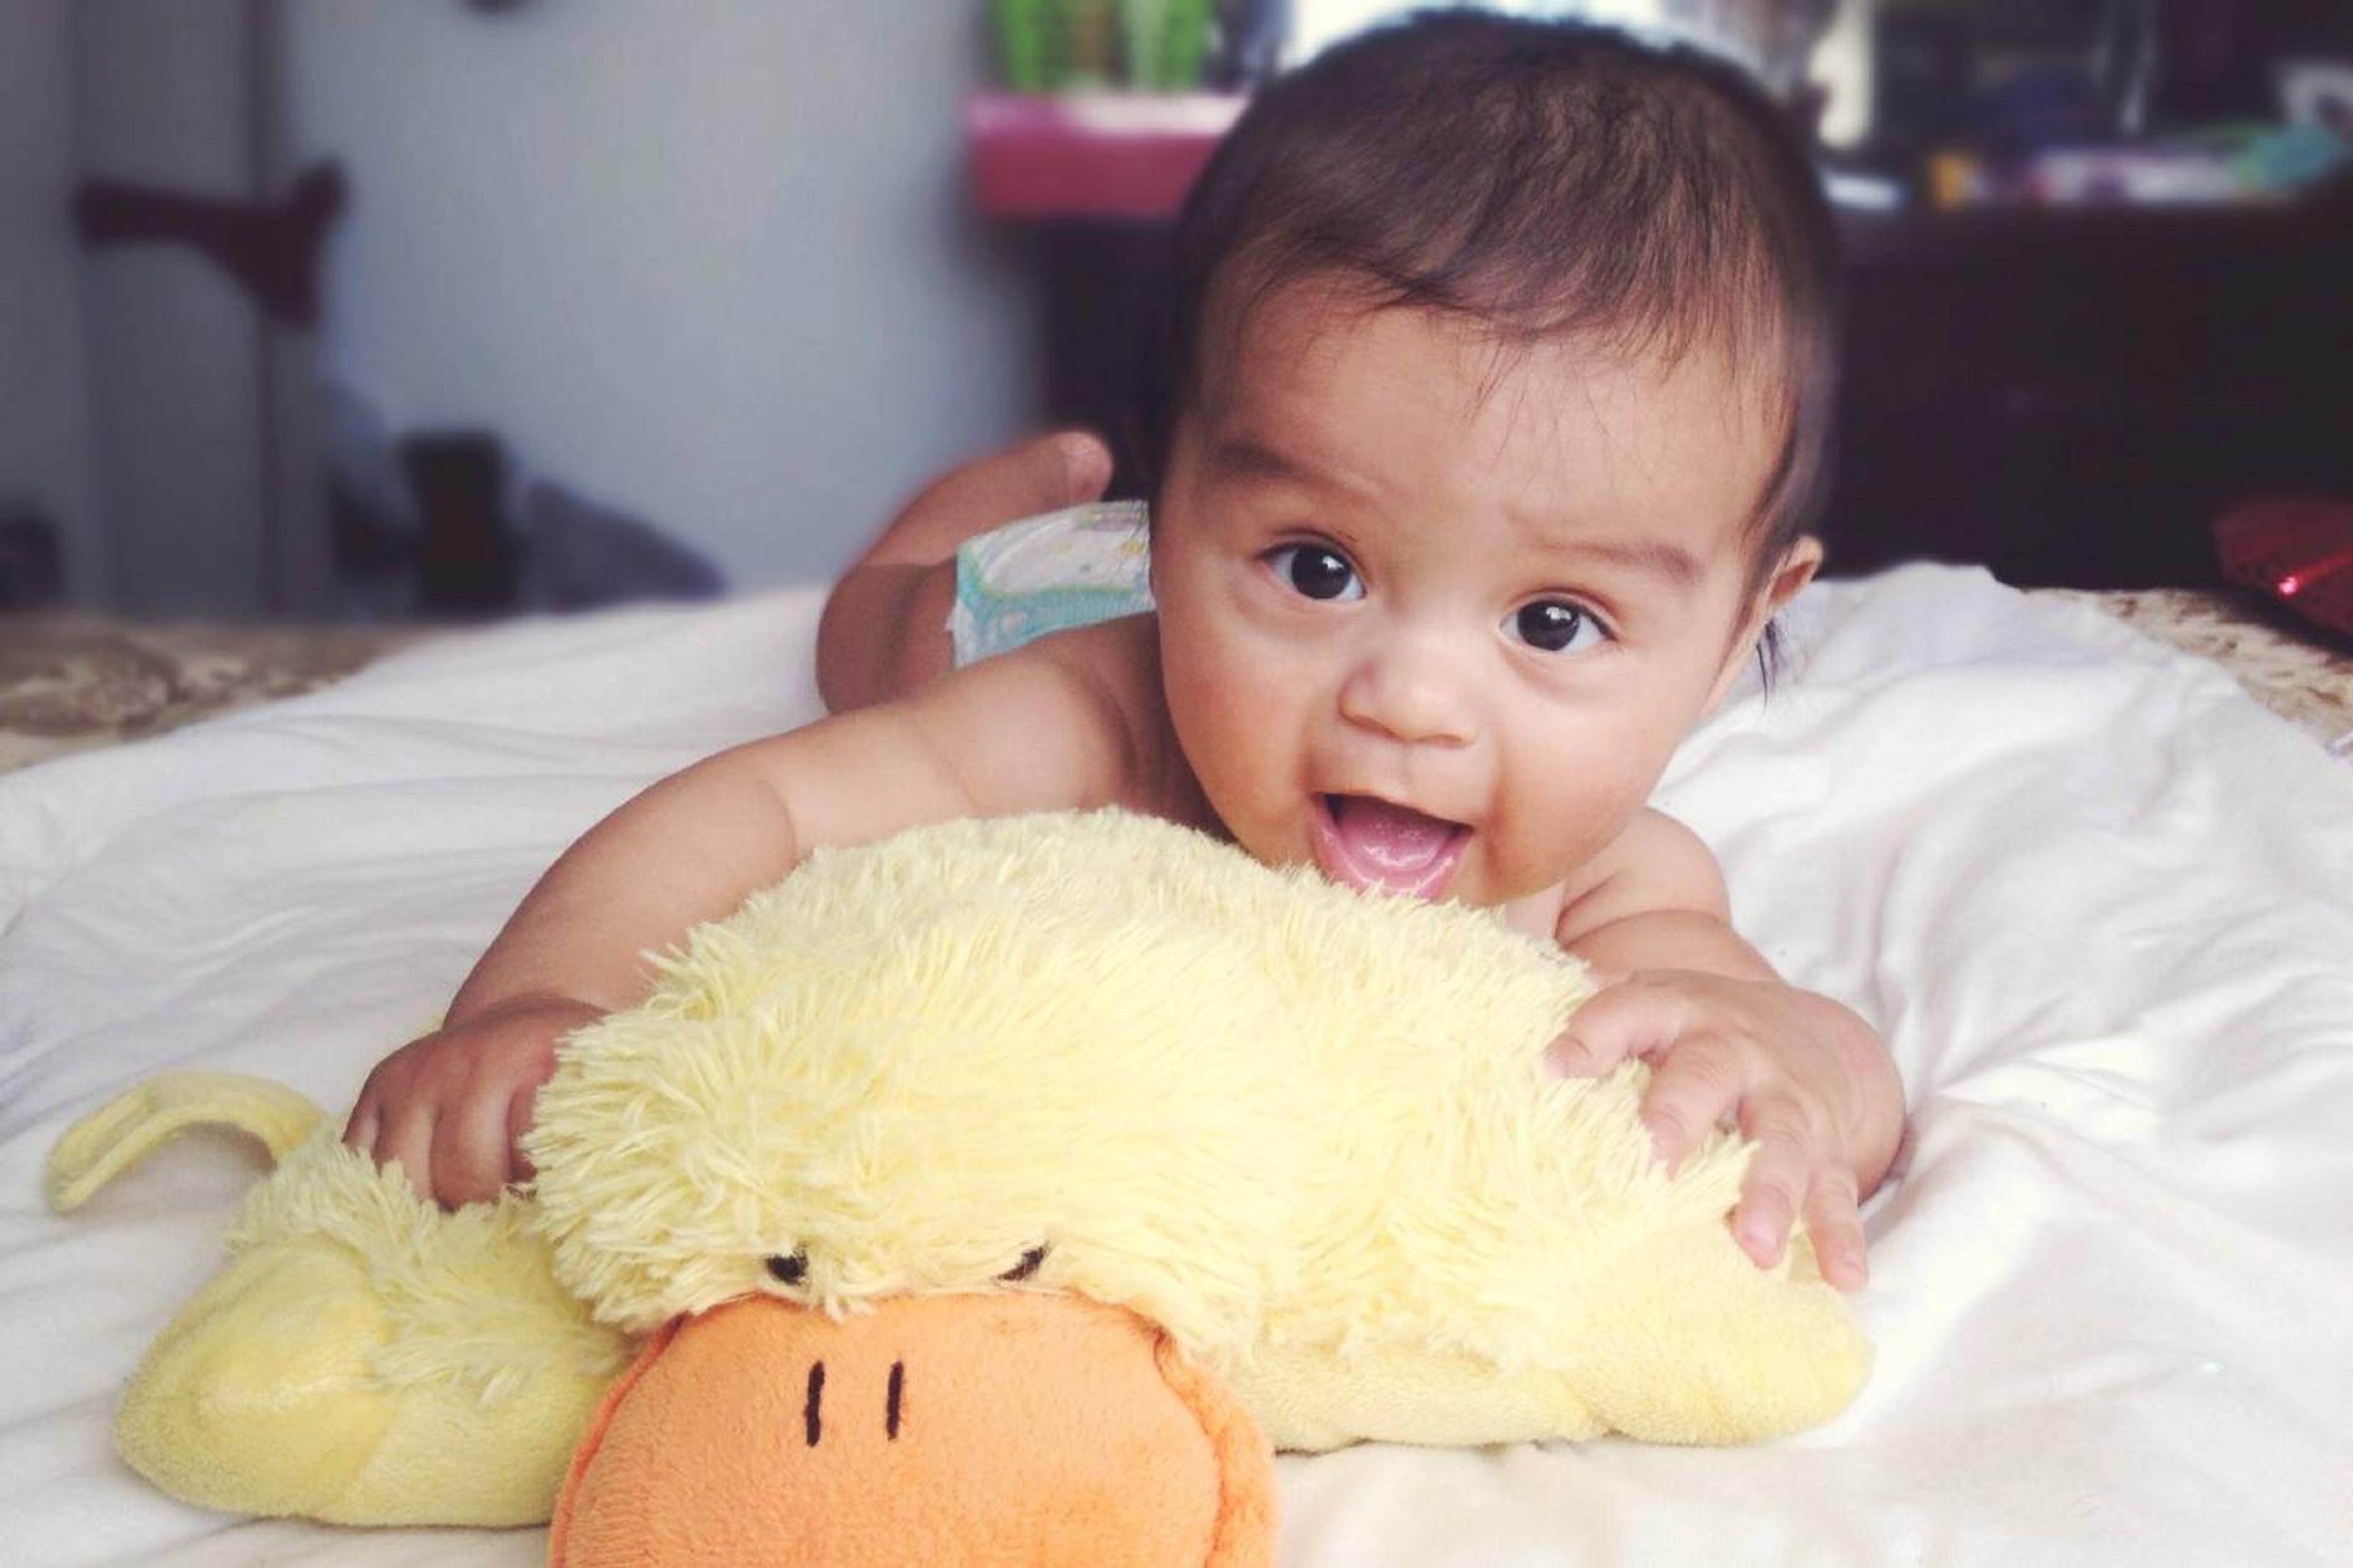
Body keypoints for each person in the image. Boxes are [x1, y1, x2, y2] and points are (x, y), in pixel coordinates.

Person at [346, 12, 1905, 1292]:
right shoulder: (1089, 723)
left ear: (1734, 642)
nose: (1410, 699)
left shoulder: (1619, 874)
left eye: (1552, 622)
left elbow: (1809, 1054)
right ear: (1191, 518)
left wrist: (1789, 1068)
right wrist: (529, 1005)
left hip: (1160, 557)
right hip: (1033, 598)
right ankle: (1020, 492)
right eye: (1321, 566)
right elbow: (758, 811)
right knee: (874, 626)